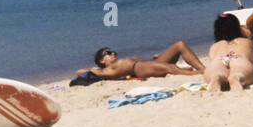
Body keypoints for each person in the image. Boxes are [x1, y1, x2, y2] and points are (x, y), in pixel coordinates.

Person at [75, 40, 207, 81]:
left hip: (149, 63)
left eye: (113, 51)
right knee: (170, 68)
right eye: (108, 53)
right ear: (102, 60)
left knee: (180, 45)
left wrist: (157, 57)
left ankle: (203, 69)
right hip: (140, 68)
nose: (113, 53)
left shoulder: (116, 63)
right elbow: (79, 71)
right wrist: (94, 69)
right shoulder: (105, 70)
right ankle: (199, 74)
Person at [204, 13, 253, 93]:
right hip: (238, 58)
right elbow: (251, 60)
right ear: (238, 28)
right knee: (239, 72)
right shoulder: (246, 42)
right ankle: (236, 77)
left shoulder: (215, 46)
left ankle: (217, 77)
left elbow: (211, 60)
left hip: (219, 59)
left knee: (216, 72)